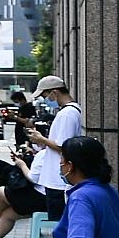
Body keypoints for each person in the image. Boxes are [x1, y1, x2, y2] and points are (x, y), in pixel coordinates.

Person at [23, 74, 82, 221]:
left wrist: (41, 139)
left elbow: (64, 147)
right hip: (56, 180)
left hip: (57, 182)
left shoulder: (67, 114)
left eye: (45, 95)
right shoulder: (68, 112)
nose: (45, 100)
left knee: (58, 225)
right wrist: (43, 141)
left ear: (54, 93)